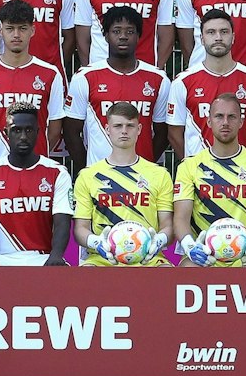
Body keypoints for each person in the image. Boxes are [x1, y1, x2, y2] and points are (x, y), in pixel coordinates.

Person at [172, 92, 246, 266]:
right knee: (187, 267)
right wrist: (190, 247)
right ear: (209, 121)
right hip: (205, 258)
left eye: (231, 117)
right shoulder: (189, 166)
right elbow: (180, 218)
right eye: (219, 116)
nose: (225, 123)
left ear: (241, 122)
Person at [0, 102, 72, 266]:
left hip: (43, 259)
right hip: (1, 259)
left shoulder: (58, 172)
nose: (23, 136)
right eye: (17, 130)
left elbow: (62, 222)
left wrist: (56, 256)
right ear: (6, 133)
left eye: (29, 130)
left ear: (38, 132)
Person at [72, 103, 174, 266]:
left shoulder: (159, 174)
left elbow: (168, 225)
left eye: (130, 126)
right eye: (118, 126)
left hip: (149, 258)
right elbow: (80, 228)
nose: (124, 131)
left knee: (168, 275)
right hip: (102, 258)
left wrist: (159, 241)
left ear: (139, 129)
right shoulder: (87, 175)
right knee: (83, 279)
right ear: (107, 129)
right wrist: (97, 243)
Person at [64, 5, 169, 165]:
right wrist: (86, 172)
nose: (123, 36)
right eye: (116, 31)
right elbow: (71, 132)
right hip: (98, 177)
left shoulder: (158, 79)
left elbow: (163, 133)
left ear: (139, 36)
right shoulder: (85, 77)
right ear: (105, 35)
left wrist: (147, 165)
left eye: (130, 31)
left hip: (143, 179)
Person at [0, 0, 66, 167]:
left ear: (33, 30)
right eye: (10, 28)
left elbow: (54, 130)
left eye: (22, 29)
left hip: (36, 167)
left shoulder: (50, 74)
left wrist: (32, 155)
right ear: (0, 31)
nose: (16, 35)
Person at [161, 9, 246, 158]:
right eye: (211, 32)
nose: (218, 37)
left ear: (233, 37)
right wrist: (192, 166)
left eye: (224, 32)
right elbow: (174, 134)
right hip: (199, 174)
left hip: (241, 174)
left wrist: (245, 162)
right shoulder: (182, 82)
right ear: (202, 38)